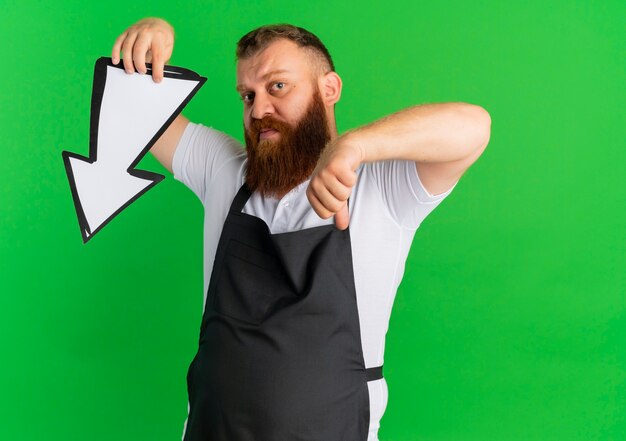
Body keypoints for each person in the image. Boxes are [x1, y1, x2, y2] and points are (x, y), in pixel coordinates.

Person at [112, 17, 491, 441]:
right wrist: (154, 34)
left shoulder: (380, 189)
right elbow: (130, 105)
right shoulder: (224, 171)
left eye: (277, 87)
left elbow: (473, 126)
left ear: (329, 89)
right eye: (247, 96)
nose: (258, 110)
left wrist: (355, 145)